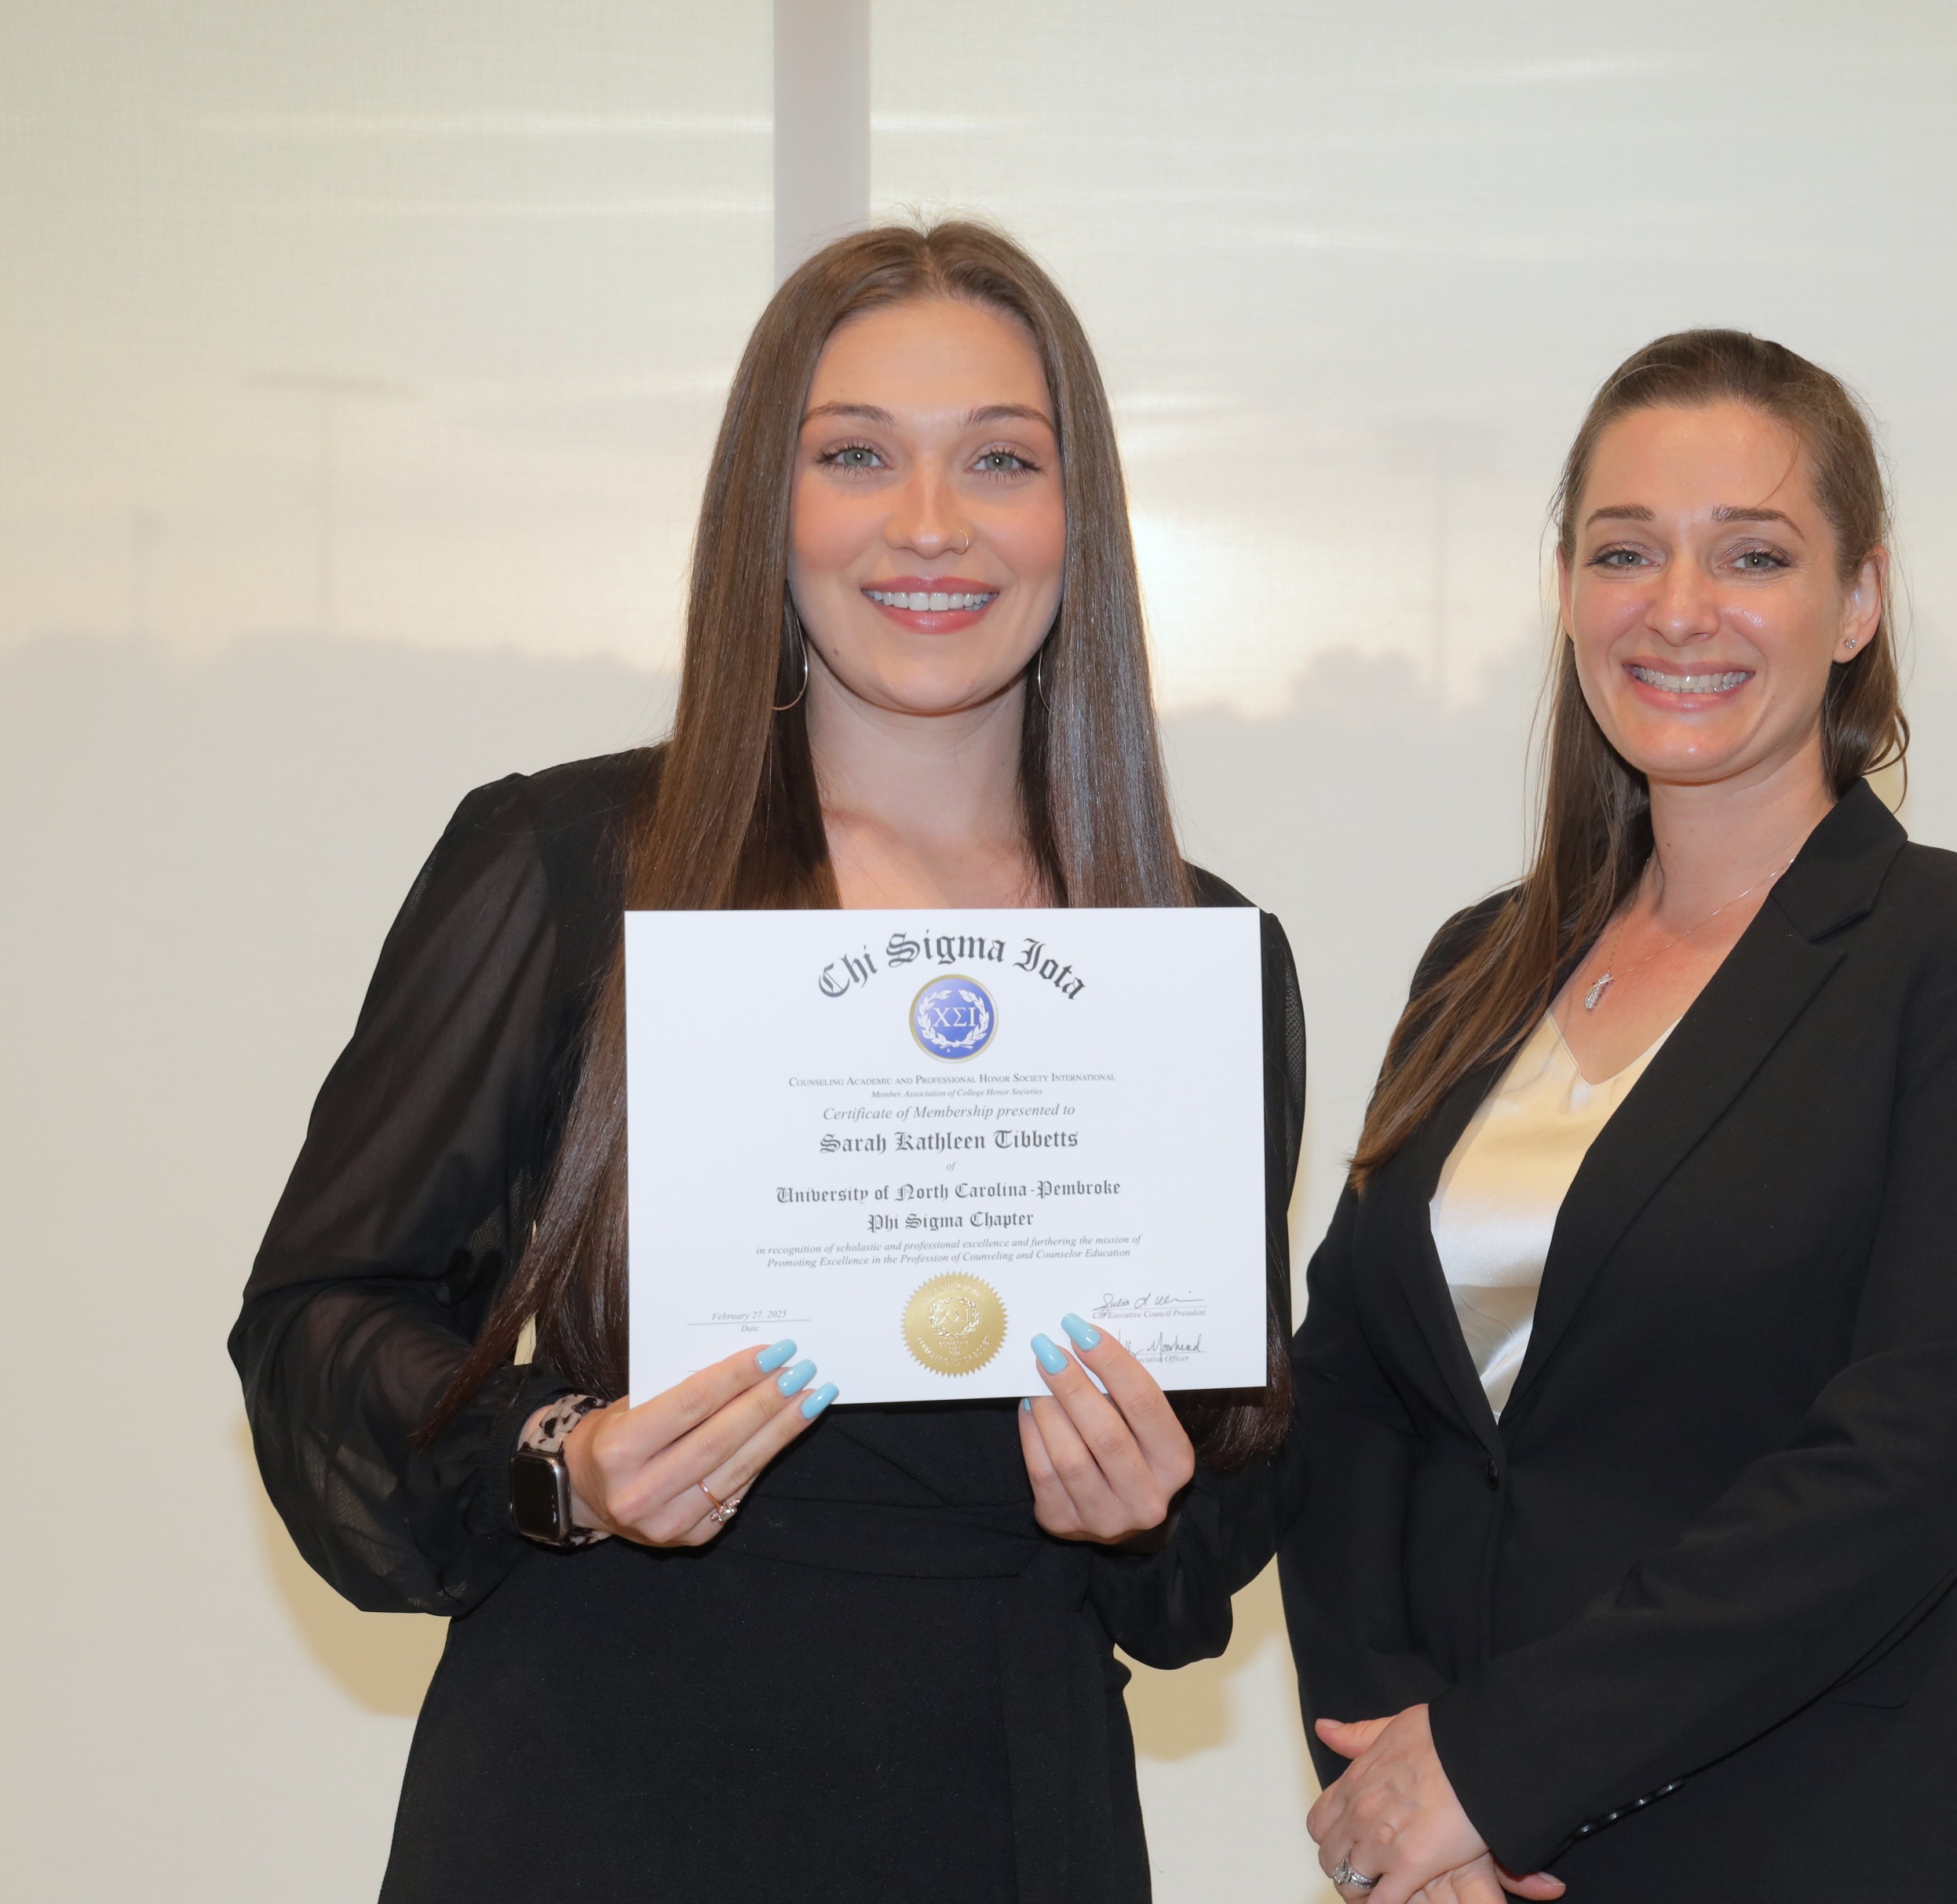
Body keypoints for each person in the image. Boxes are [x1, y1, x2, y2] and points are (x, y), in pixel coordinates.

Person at [230, 222, 1302, 1903]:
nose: (931, 523)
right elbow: (316, 1325)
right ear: (767, 507)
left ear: (1075, 515)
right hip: (597, 1792)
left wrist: (1146, 1508)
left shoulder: (1200, 963)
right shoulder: (565, 861)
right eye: (856, 455)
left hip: (1009, 1805)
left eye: (1000, 460)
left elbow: (1202, 1557)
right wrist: (563, 1459)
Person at [1279, 330, 1957, 1903]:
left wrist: (1493, 1762)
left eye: (1753, 554)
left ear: (1858, 601)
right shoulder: (1480, 961)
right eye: (1624, 551)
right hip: (1467, 1867)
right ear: (1565, 588)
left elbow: (1902, 1467)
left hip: (1830, 1841)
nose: (1678, 608)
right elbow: (1354, 1402)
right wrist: (1392, 1778)